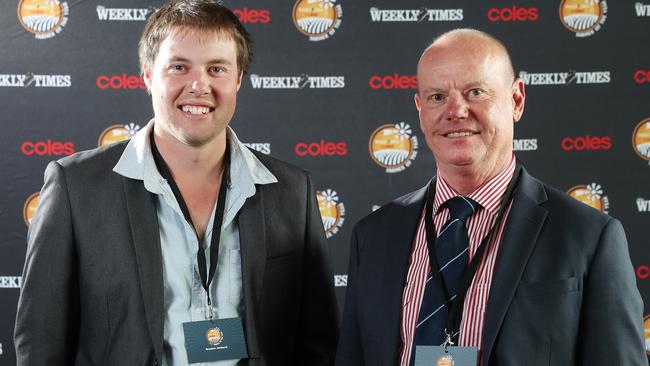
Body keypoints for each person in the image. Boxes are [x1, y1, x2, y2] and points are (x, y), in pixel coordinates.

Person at [14, 1, 338, 365]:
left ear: (237, 80)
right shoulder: (76, 187)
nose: (198, 85)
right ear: (149, 75)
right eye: (179, 67)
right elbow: (41, 342)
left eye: (217, 68)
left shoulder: (292, 190)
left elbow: (318, 344)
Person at [336, 29, 646, 365]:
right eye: (437, 97)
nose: (456, 111)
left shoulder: (588, 237)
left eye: (475, 92)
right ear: (420, 109)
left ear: (516, 100)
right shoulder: (373, 236)